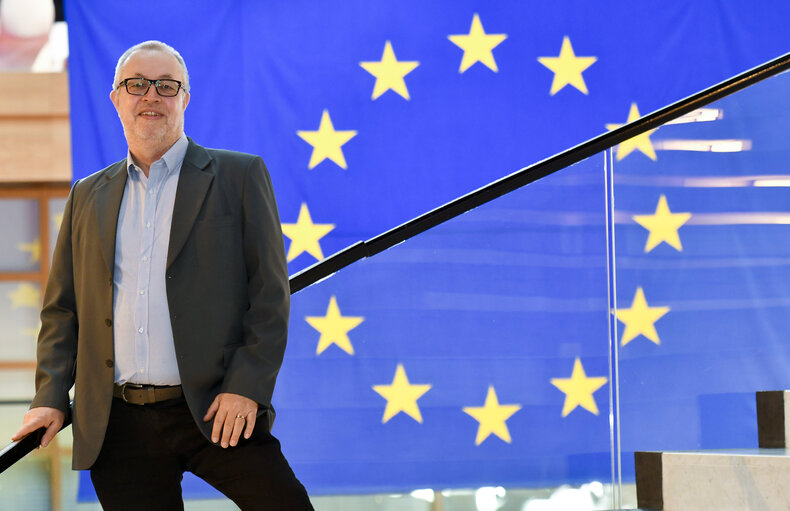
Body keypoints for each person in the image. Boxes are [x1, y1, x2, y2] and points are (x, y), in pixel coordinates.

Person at [12, 40, 313, 510]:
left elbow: (270, 296)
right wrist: (49, 396)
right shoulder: (87, 195)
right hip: (118, 423)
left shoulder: (239, 176)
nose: (151, 95)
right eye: (136, 85)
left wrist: (246, 388)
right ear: (116, 98)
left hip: (216, 406)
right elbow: (62, 310)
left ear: (185, 99)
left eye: (166, 86)